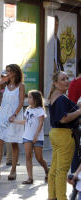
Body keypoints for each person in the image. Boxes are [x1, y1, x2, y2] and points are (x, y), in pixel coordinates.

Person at [0, 64, 25, 181]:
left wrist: (14, 115)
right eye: (6, 71)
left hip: (14, 117)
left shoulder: (21, 86)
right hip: (3, 117)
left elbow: (21, 102)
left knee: (14, 143)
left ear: (15, 72)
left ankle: (13, 170)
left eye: (9, 71)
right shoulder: (5, 84)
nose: (7, 73)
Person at [48, 71, 81, 200]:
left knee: (55, 169)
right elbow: (63, 118)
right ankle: (61, 197)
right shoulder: (61, 98)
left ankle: (52, 196)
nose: (67, 81)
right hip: (64, 135)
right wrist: (79, 111)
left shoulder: (56, 96)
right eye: (63, 79)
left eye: (67, 78)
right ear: (55, 83)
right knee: (61, 170)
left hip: (56, 133)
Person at [13, 90, 49, 184]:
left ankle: (47, 170)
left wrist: (36, 136)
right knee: (28, 157)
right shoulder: (28, 110)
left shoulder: (40, 110)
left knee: (39, 158)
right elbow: (25, 121)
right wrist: (15, 121)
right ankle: (30, 178)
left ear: (35, 99)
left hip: (37, 138)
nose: (27, 99)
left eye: (29, 97)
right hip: (27, 137)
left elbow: (41, 123)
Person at [68, 59, 81, 200]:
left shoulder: (74, 83)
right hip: (78, 124)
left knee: (77, 155)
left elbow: (71, 104)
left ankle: (75, 186)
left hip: (76, 125)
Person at [0, 70, 13, 166]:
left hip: (3, 114)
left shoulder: (9, 86)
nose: (4, 78)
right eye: (3, 76)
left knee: (5, 137)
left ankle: (9, 159)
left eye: (5, 76)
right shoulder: (4, 86)